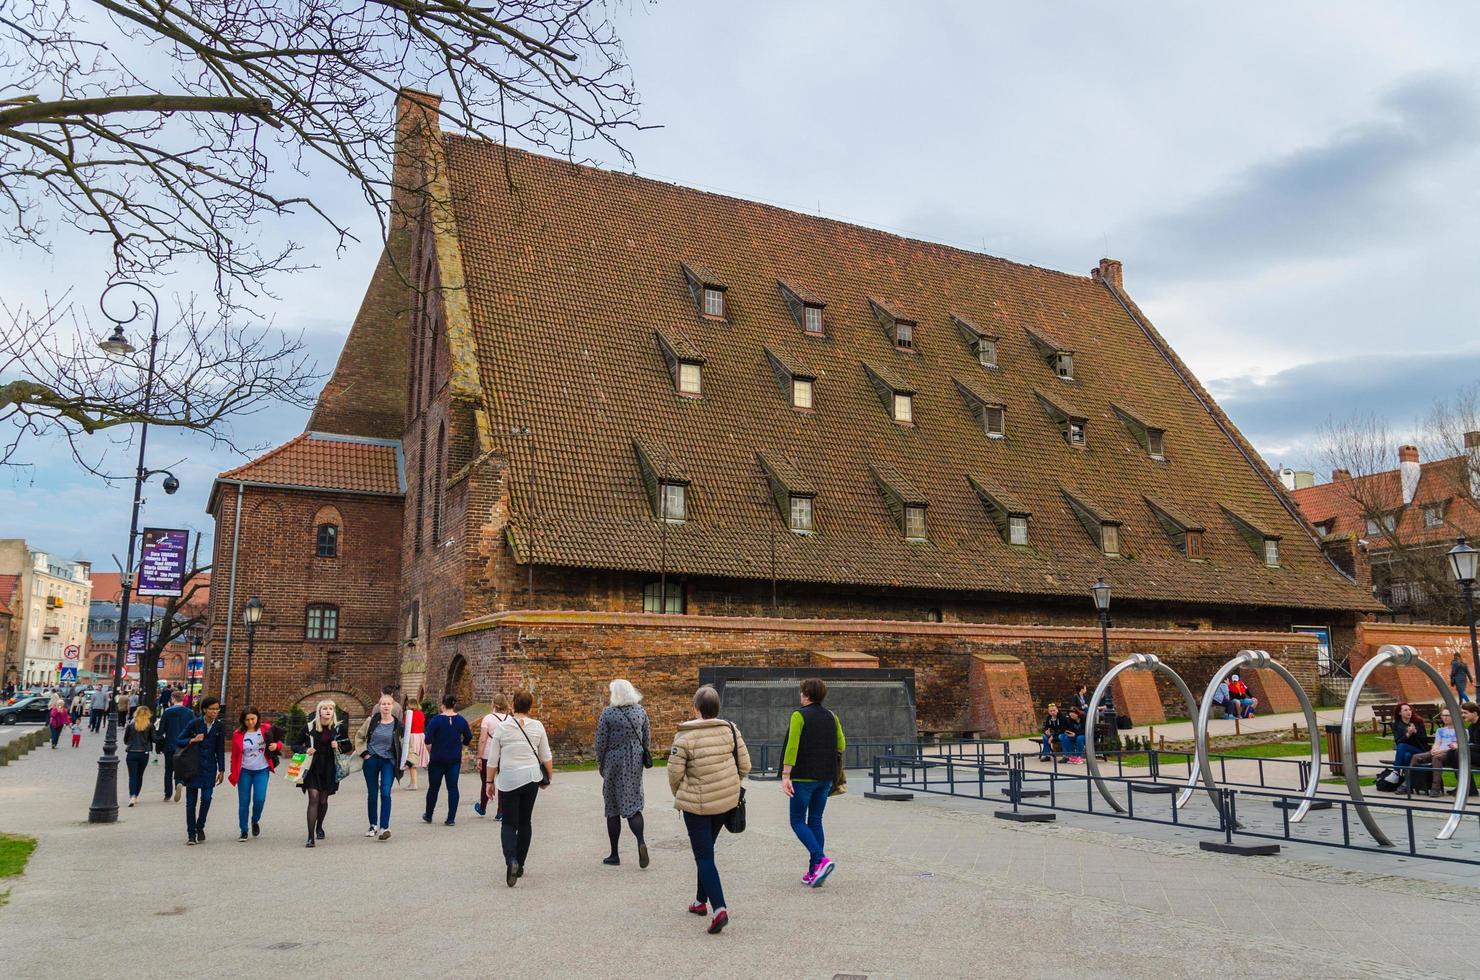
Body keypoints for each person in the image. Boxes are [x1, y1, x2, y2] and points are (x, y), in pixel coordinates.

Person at [669, 685, 749, 935]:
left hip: (698, 806)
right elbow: (745, 766)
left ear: (696, 708)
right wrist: (729, 785)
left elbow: (674, 774)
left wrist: (681, 793)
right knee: (706, 852)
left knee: (704, 856)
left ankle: (720, 909)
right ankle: (699, 902)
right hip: (725, 802)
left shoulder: (684, 737)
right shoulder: (730, 730)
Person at [781, 678, 844, 887]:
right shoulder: (831, 717)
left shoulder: (799, 715)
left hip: (802, 777)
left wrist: (785, 775)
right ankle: (814, 872)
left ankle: (821, 859)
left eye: (801, 692)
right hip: (826, 777)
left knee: (797, 821)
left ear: (806, 695)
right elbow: (841, 744)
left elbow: (792, 746)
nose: (800, 695)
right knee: (815, 820)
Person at [486, 689, 553, 887]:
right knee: (525, 822)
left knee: (508, 823)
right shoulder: (538, 726)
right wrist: (548, 776)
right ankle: (521, 864)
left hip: (508, 778)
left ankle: (511, 860)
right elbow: (546, 755)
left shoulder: (503, 727)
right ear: (530, 706)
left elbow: (493, 758)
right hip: (531, 777)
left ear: (513, 705)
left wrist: (489, 783)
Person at [595, 679, 651, 868]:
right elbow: (647, 738)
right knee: (633, 803)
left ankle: (614, 854)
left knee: (613, 808)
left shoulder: (608, 714)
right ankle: (641, 841)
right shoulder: (640, 711)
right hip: (634, 762)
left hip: (614, 762)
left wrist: (601, 764)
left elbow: (600, 743)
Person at [293, 700, 352, 847]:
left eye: (330, 709)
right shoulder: (309, 727)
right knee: (313, 798)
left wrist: (338, 745)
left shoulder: (339, 728)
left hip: (330, 767)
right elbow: (294, 744)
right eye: (324, 708)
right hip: (313, 767)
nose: (328, 711)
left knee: (323, 801)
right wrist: (305, 750)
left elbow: (348, 746)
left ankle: (319, 826)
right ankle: (310, 836)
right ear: (319, 711)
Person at [228, 707, 282, 842]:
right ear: (243, 720)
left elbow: (279, 742)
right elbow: (234, 755)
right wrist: (233, 771)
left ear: (258, 718)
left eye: (253, 719)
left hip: (262, 769)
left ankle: (255, 820)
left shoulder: (265, 729)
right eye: (247, 720)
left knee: (260, 799)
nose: (250, 722)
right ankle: (244, 830)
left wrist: (276, 746)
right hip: (244, 771)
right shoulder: (238, 734)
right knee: (244, 802)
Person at [356, 694, 403, 840]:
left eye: (389, 704)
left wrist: (408, 761)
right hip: (371, 760)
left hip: (388, 761)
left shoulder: (397, 725)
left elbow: (405, 743)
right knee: (372, 793)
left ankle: (384, 827)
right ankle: (372, 825)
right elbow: (359, 736)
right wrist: (364, 753)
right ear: (379, 706)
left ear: (393, 706)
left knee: (386, 792)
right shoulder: (372, 721)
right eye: (384, 704)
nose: (386, 706)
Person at [422, 694, 472, 826]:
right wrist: (462, 747)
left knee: (433, 788)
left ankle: (429, 814)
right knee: (453, 787)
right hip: (454, 758)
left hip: (437, 758)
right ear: (454, 705)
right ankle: (451, 818)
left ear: (442, 705)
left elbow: (427, 739)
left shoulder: (436, 720)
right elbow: (468, 736)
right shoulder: (461, 720)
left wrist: (431, 750)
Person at [182, 696, 226, 845]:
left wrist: (222, 769)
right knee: (190, 803)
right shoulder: (194, 724)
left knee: (206, 799)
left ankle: (200, 826)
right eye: (212, 709)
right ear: (204, 710)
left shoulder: (219, 726)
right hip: (193, 767)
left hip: (209, 768)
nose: (215, 711)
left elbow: (220, 749)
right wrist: (192, 740)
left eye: (217, 708)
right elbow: (179, 739)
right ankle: (191, 834)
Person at [474, 695, 511, 819]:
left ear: (493, 704)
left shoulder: (488, 718)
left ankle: (482, 807)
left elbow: (483, 739)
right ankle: (500, 811)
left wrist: (479, 756)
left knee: (486, 781)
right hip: (504, 754)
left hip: (488, 754)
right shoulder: (510, 719)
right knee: (502, 782)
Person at [1410, 708, 1458, 797]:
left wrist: (1438, 751)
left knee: (1437, 758)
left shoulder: (1460, 731)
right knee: (1416, 757)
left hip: (1449, 754)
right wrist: (1433, 749)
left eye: (1447, 715)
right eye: (1443, 715)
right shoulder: (1440, 730)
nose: (1445, 717)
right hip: (1437, 752)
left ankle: (1435, 788)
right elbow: (1437, 743)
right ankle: (1409, 783)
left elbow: (1455, 747)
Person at [157, 692, 195, 803]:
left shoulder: (168, 712)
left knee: (168, 770)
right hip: (184, 745)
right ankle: (179, 782)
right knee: (180, 768)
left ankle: (167, 794)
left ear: (173, 699)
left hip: (169, 744)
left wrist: (159, 740)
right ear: (183, 699)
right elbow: (193, 729)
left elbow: (161, 730)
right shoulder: (189, 712)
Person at [122, 705, 158, 805]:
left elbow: (125, 740)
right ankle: (136, 795)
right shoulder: (150, 726)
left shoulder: (130, 725)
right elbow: (155, 739)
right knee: (139, 775)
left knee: (132, 776)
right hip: (144, 753)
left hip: (132, 752)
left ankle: (132, 795)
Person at [1389, 702, 1429, 789]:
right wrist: (1408, 734)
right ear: (1400, 713)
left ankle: (1396, 772)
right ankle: (1408, 782)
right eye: (1405, 710)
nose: (1409, 712)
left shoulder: (1418, 722)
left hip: (1420, 750)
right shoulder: (1397, 724)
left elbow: (1424, 740)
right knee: (1406, 756)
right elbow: (1398, 741)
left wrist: (1415, 732)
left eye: (1410, 709)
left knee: (1402, 746)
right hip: (1406, 752)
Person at [401, 698, 427, 791]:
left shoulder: (408, 714)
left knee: (411, 760)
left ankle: (414, 784)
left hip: (412, 736)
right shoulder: (421, 713)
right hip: (420, 736)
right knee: (414, 760)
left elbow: (405, 725)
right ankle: (412, 782)